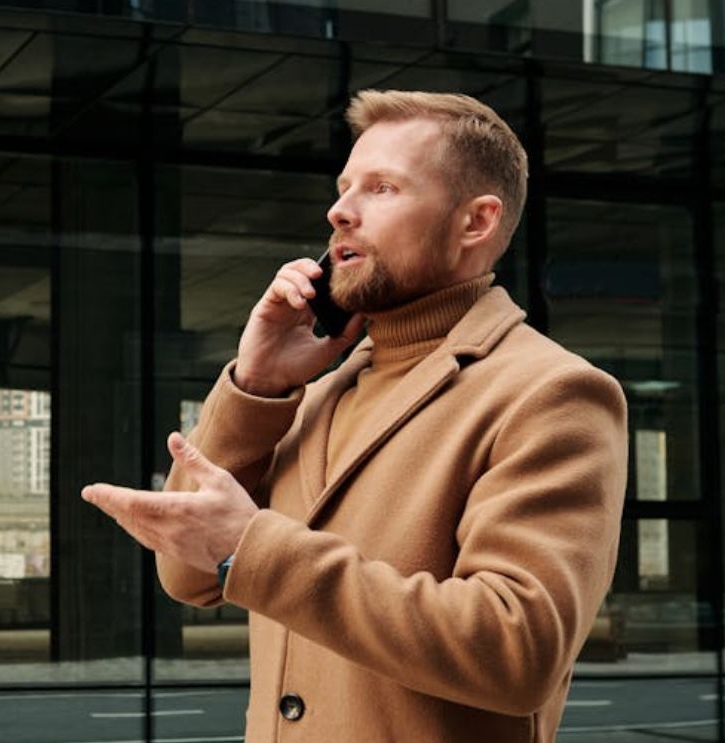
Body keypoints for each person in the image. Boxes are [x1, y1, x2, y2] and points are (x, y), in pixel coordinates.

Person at [82, 89, 628, 743]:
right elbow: (188, 576)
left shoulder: (551, 391)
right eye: (345, 188)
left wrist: (250, 546)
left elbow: (516, 651)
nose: (339, 211)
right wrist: (256, 384)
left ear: (474, 222)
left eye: (381, 188)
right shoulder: (316, 394)